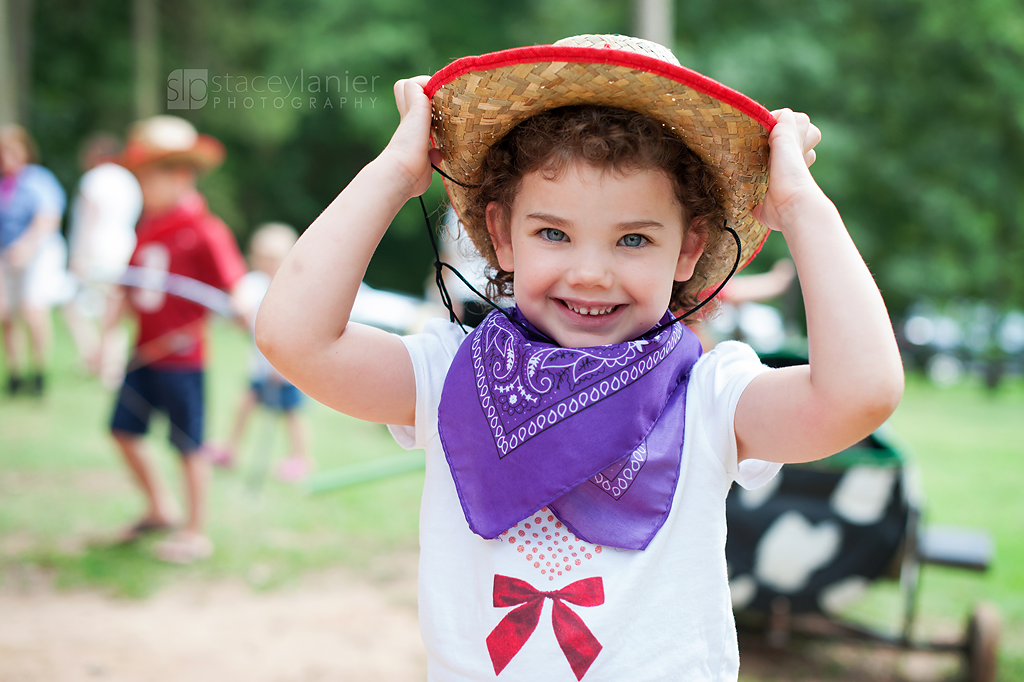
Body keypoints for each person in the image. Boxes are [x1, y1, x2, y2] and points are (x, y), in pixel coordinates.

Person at [256, 35, 904, 681]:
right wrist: (393, 173)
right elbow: (294, 337)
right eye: (554, 233)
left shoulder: (709, 395)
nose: (590, 273)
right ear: (503, 235)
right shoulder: (452, 372)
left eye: (632, 239)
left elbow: (860, 392)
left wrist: (801, 206)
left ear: (688, 250)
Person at [104, 115, 248, 563]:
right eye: (143, 176)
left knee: (188, 444)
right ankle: (159, 509)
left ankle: (195, 530)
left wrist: (249, 318)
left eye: (154, 174)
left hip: (182, 358)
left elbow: (234, 287)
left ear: (183, 175)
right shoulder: (146, 226)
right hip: (143, 355)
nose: (145, 185)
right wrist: (106, 338)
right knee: (123, 431)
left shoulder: (204, 229)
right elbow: (127, 287)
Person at [208, 222, 313, 482]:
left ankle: (300, 458)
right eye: (263, 258)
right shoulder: (252, 284)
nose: (268, 264)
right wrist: (238, 315)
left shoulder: (294, 287)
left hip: (287, 369)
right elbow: (241, 313)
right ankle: (230, 449)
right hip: (260, 364)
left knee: (291, 414)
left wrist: (284, 365)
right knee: (244, 404)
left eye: (274, 258)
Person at [62, 132, 143, 385]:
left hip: (96, 250)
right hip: (125, 247)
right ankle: (112, 367)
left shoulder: (94, 179)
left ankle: (93, 357)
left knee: (72, 307)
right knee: (113, 309)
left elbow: (89, 219)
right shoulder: (130, 180)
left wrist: (77, 254)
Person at [0, 124, 73, 396]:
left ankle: (39, 372)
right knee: (5, 313)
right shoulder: (3, 185)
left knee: (33, 309)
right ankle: (15, 373)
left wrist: (26, 246)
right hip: (6, 255)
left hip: (38, 253)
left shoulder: (38, 180)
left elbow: (48, 218)